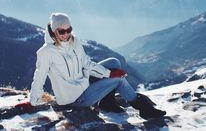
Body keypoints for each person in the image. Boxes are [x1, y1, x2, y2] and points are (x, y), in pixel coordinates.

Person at [15, 12, 166, 119]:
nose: (66, 34)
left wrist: (108, 73)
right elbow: (39, 77)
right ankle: (144, 109)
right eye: (62, 31)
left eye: (69, 30)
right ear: (54, 31)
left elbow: (86, 64)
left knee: (114, 62)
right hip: (75, 99)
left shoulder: (74, 42)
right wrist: (32, 102)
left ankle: (107, 103)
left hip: (84, 82)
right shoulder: (46, 52)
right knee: (119, 80)